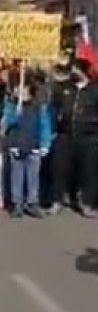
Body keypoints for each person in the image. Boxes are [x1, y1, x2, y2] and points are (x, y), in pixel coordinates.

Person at [1, 80, 52, 219]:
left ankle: (32, 202)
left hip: (33, 146)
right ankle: (17, 203)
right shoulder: (11, 106)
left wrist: (45, 144)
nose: (19, 92)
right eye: (17, 89)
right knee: (17, 176)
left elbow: (44, 125)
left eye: (22, 88)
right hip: (17, 146)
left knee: (33, 177)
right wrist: (13, 114)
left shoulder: (38, 107)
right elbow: (5, 126)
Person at [68, 59, 98, 218]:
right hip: (70, 135)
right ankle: (70, 197)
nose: (73, 72)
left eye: (75, 69)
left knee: (89, 172)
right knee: (69, 168)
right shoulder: (70, 89)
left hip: (89, 137)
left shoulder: (94, 91)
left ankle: (87, 202)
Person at [48, 63, 77, 214]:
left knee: (77, 168)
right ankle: (56, 200)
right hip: (61, 133)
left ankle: (76, 198)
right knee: (58, 168)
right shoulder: (58, 89)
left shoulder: (77, 88)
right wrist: (53, 128)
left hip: (79, 132)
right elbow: (52, 110)